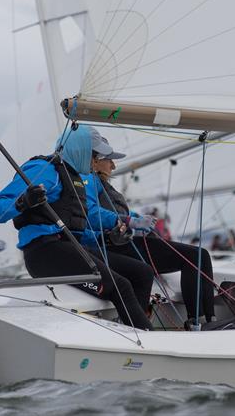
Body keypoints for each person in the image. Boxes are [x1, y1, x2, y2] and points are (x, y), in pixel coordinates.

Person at [0, 125, 154, 330]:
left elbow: (79, 224)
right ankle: (146, 339)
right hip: (44, 253)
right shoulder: (46, 171)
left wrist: (109, 237)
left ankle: (137, 330)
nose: (96, 162)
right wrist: (23, 202)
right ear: (81, 152)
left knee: (141, 272)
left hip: (67, 247)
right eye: (94, 156)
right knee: (121, 286)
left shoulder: (74, 177)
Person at [87, 130, 217, 329]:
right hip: (114, 246)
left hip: (125, 244)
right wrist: (131, 222)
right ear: (94, 162)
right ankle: (198, 323)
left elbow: (121, 213)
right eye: (109, 160)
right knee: (195, 256)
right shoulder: (89, 182)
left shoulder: (103, 185)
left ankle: (206, 321)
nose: (113, 165)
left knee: (199, 256)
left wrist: (140, 222)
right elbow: (91, 214)